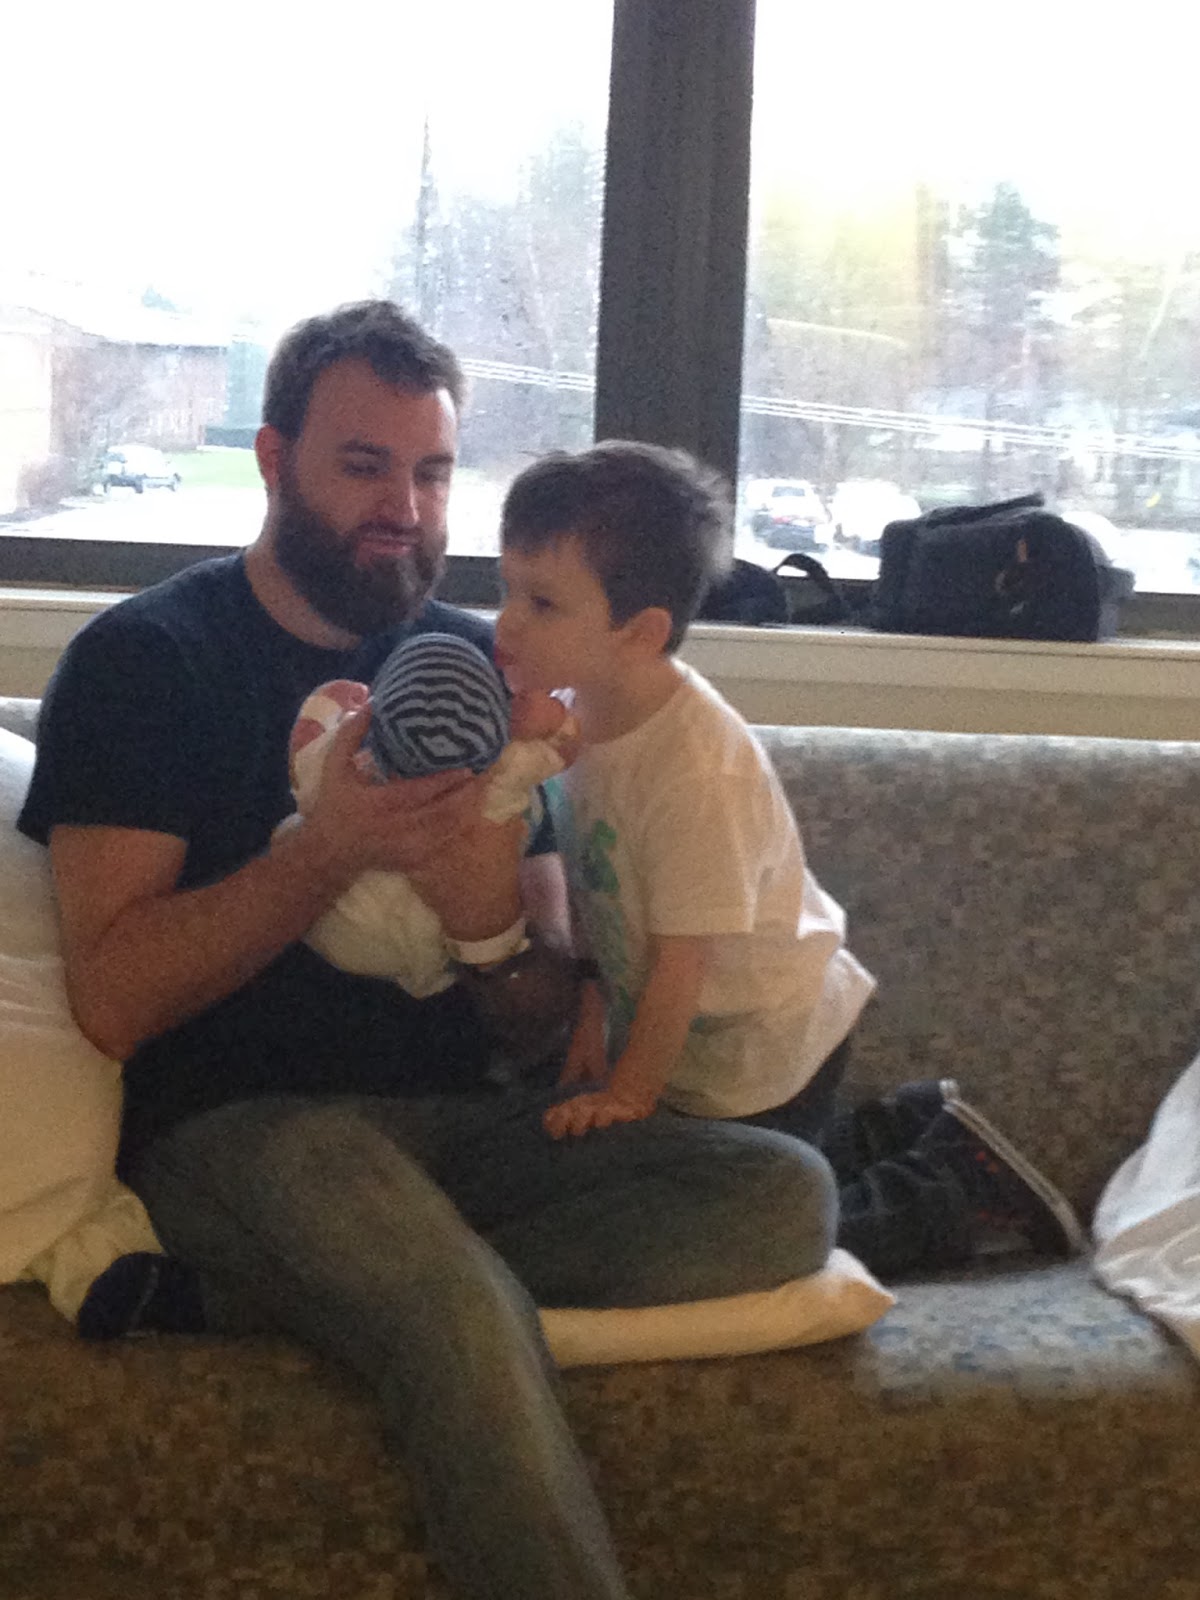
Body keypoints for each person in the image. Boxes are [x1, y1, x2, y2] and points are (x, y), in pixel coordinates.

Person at [16, 299, 840, 1600]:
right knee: (449, 1305)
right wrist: (326, 851)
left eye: (435, 472)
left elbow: (540, 1012)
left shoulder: (488, 669)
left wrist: (490, 925)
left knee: (786, 1195)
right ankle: (406, 1292)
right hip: (249, 1131)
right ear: (274, 461)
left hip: (470, 1129)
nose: (405, 507)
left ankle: (291, 1292)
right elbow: (115, 1000)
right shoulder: (146, 661)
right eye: (365, 466)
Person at [495, 440, 1087, 1269]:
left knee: (746, 1230)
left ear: (641, 632)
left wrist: (628, 1095)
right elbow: (596, 892)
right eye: (507, 590)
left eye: (543, 603)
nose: (506, 624)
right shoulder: (574, 718)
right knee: (738, 1178)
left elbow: (683, 961)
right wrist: (593, 1019)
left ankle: (953, 1189)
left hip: (763, 1035)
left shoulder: (693, 767)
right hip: (696, 1034)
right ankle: (899, 1126)